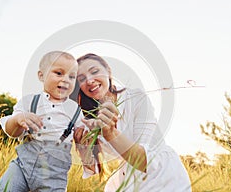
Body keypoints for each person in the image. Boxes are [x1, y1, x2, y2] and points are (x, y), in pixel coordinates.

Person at [74, 53, 192, 192]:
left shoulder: (136, 99)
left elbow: (144, 161)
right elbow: (92, 168)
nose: (89, 80)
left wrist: (110, 133)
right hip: (128, 180)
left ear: (108, 71)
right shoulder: (88, 119)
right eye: (81, 79)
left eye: (94, 72)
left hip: (163, 176)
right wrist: (83, 148)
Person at [0, 51, 85, 192]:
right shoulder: (30, 101)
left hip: (54, 175)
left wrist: (86, 136)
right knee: (7, 187)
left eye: (72, 76)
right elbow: (11, 132)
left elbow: (83, 137)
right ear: (41, 75)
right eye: (59, 73)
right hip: (23, 166)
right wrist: (18, 120)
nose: (66, 80)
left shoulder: (75, 110)